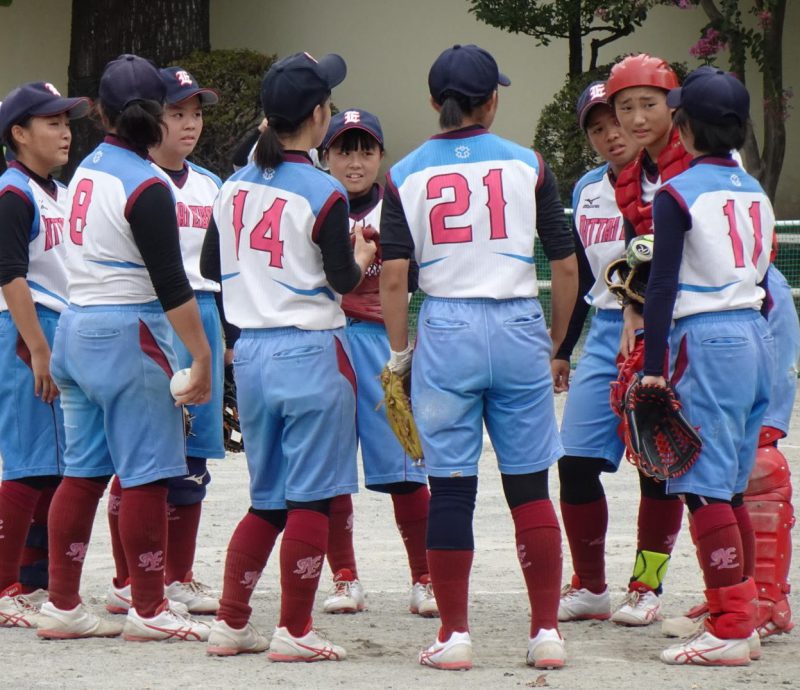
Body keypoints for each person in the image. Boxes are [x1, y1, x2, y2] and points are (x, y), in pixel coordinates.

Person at [380, 44, 578, 671]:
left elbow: (392, 276)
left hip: (447, 324)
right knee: (529, 485)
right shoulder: (529, 164)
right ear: (492, 101)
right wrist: (554, 341)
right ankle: (545, 632)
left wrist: (398, 353)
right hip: (517, 318)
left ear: (435, 103)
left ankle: (456, 636)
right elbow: (566, 263)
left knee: (451, 489)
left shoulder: (405, 172)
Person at [200, 51, 376, 661]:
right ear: (319, 115)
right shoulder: (324, 191)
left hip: (251, 355)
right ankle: (295, 630)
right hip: (312, 352)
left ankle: (230, 622)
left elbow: (207, 268)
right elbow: (344, 281)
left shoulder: (232, 186)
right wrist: (362, 254)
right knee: (313, 497)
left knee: (266, 499)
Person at [36, 54, 212, 643]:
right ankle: (149, 606)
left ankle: (63, 603)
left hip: (76, 328)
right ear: (157, 115)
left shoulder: (87, 169)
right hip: (127, 332)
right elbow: (171, 286)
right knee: (147, 476)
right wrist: (202, 357)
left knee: (82, 474)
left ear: (105, 112)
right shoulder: (147, 184)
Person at [641, 66, 773, 666]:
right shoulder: (756, 191)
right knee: (732, 489)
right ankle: (743, 618)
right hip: (755, 334)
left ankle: (727, 627)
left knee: (701, 487)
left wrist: (653, 366)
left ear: (684, 127)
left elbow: (662, 285)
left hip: (707, 337)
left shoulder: (676, 192)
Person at [104, 65, 223, 618]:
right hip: (156, 314)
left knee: (193, 458)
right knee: (142, 458)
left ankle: (177, 576)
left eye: (196, 114)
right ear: (151, 117)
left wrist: (226, 336)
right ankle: (129, 577)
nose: (189, 124)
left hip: (202, 310)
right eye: (177, 112)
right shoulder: (136, 178)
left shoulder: (210, 185)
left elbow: (224, 268)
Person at [318, 109, 435, 617]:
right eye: (344, 149)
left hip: (381, 340)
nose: (355, 160)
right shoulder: (315, 202)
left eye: (366, 149)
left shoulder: (398, 205)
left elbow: (416, 277)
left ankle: (424, 576)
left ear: (381, 156)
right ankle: (344, 577)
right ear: (326, 157)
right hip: (324, 341)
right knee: (327, 469)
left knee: (404, 465)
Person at [552, 82, 651, 623]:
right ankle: (591, 586)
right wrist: (563, 348)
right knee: (575, 463)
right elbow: (589, 273)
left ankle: (648, 585)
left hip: (662, 328)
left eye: (616, 119)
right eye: (596, 126)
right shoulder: (589, 188)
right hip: (604, 334)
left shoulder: (669, 181)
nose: (610, 133)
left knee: (658, 466)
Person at [600, 53, 690, 625]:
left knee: (727, 468)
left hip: (712, 321)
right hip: (659, 325)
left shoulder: (700, 162)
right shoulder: (631, 175)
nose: (634, 118)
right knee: (653, 457)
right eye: (624, 107)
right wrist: (633, 315)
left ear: (673, 108)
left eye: (648, 105)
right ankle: (647, 585)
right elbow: (641, 260)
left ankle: (756, 594)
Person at [0, 81, 89, 628]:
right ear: (18, 133)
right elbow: (9, 274)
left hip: (57, 328)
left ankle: (32, 579)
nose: (65, 132)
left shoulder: (56, 189)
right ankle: (5, 584)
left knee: (57, 465)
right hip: (24, 329)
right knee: (30, 460)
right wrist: (37, 348)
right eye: (52, 122)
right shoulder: (13, 191)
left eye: (67, 121)